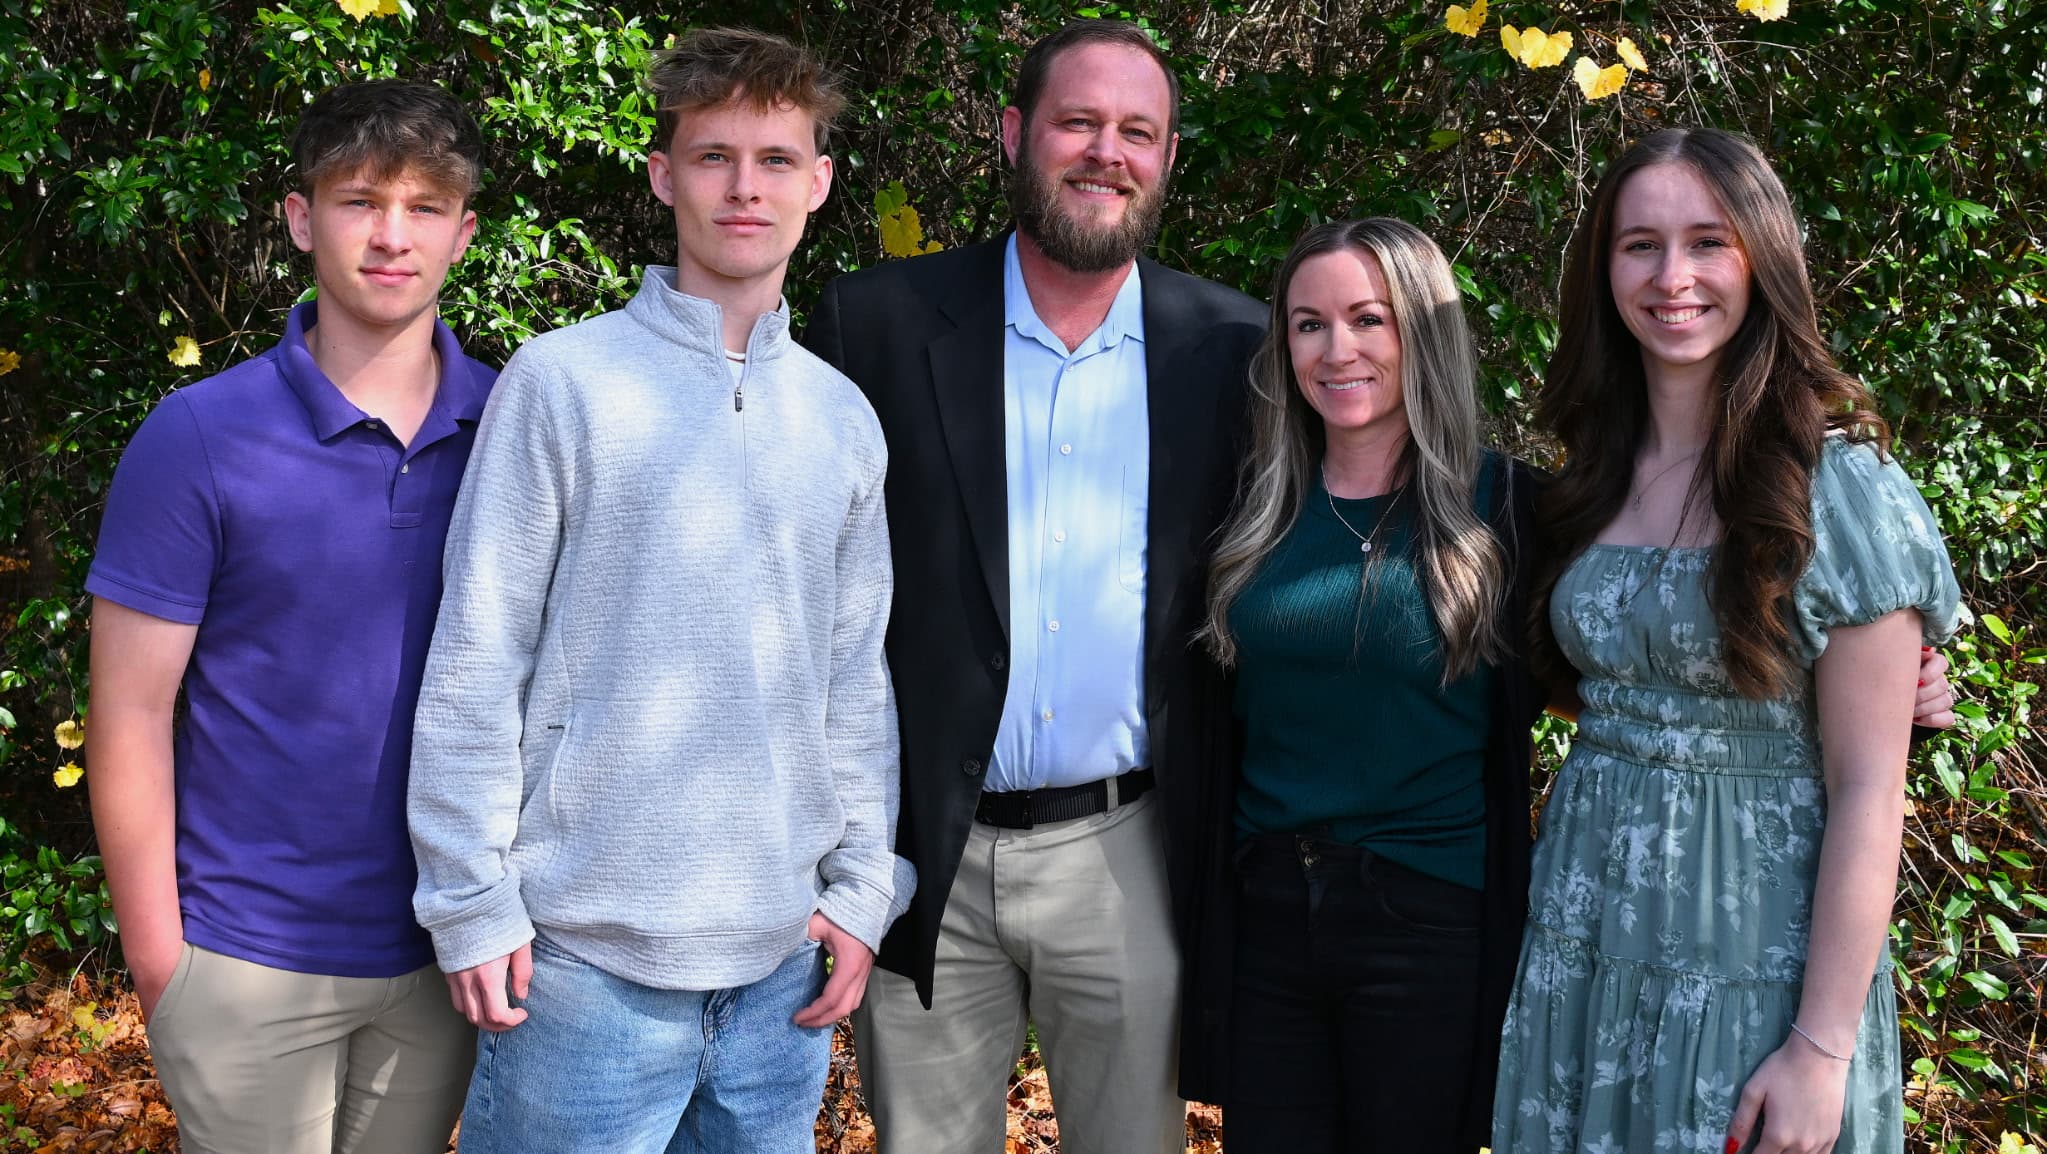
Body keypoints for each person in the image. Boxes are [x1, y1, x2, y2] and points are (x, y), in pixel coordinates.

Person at [405, 28, 910, 1154]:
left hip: (782, 979)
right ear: (661, 173)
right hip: (580, 975)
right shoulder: (563, 382)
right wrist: (470, 899)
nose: (745, 186)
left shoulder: (842, 418)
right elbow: (479, 654)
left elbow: (853, 678)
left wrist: (863, 887)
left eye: (777, 159)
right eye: (714, 154)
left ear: (820, 183)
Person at [804, 18, 1264, 1153]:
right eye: (1078, 122)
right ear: (1016, 134)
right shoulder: (879, 324)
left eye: (1137, 132)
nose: (1106, 151)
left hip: (1128, 853)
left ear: (1164, 159)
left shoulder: (1233, 347)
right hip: (924, 858)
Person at [1490, 127, 1963, 1154]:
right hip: (1587, 945)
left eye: (1709, 241)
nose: (1673, 277)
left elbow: (1868, 788)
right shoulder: (1592, 471)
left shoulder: (1833, 483)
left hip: (1750, 965)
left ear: (1763, 258)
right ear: (1600, 268)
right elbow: (1619, 688)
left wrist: (1820, 1047)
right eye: (1639, 245)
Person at [83, 80, 491, 1154]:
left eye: (424, 205)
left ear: (465, 230)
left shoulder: (515, 425)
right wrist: (162, 960)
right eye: (360, 201)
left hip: (445, 955)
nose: (391, 235)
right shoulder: (200, 436)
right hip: (245, 957)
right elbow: (127, 710)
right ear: (302, 219)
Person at [1194, 217, 1544, 1154]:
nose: (1335, 349)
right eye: (1308, 324)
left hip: (1428, 918)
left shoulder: (1509, 509)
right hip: (1266, 912)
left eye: (1367, 319)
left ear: (1421, 334)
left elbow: (1644, 648)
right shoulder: (1251, 506)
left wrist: (1878, 683)